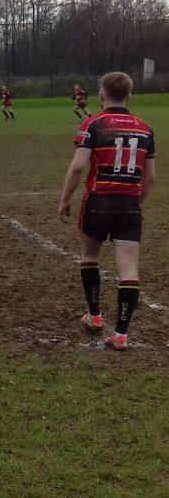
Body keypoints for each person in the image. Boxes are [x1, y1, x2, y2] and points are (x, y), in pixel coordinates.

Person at [57, 72, 155, 351]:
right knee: (128, 267)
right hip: (129, 205)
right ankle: (121, 333)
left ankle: (96, 315)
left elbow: (77, 167)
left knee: (89, 257)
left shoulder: (93, 124)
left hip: (98, 201)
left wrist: (65, 200)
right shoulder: (145, 129)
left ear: (101, 95)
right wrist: (137, 201)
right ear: (129, 96)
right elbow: (150, 177)